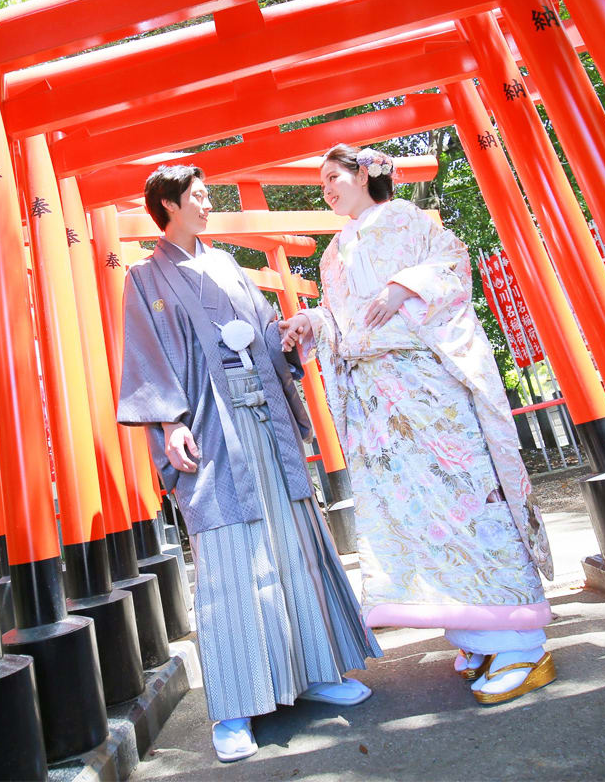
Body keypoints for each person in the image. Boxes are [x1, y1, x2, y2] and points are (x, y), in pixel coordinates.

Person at [118, 164, 381, 763]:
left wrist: (284, 337)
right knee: (231, 558)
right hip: (211, 428)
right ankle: (237, 707)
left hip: (263, 415)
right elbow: (146, 355)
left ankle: (315, 670)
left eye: (207, 194)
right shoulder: (145, 278)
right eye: (198, 196)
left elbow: (263, 328)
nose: (208, 203)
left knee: (293, 542)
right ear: (169, 205)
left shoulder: (230, 265)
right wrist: (168, 421)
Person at [280, 143, 556, 707]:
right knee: (418, 514)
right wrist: (312, 323)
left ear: (364, 175)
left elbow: (454, 267)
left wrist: (406, 285)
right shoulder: (333, 253)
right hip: (380, 402)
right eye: (323, 181)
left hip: (429, 390)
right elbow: (343, 317)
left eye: (334, 177)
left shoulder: (409, 220)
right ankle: (476, 633)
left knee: (465, 499)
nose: (327, 188)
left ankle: (522, 643)